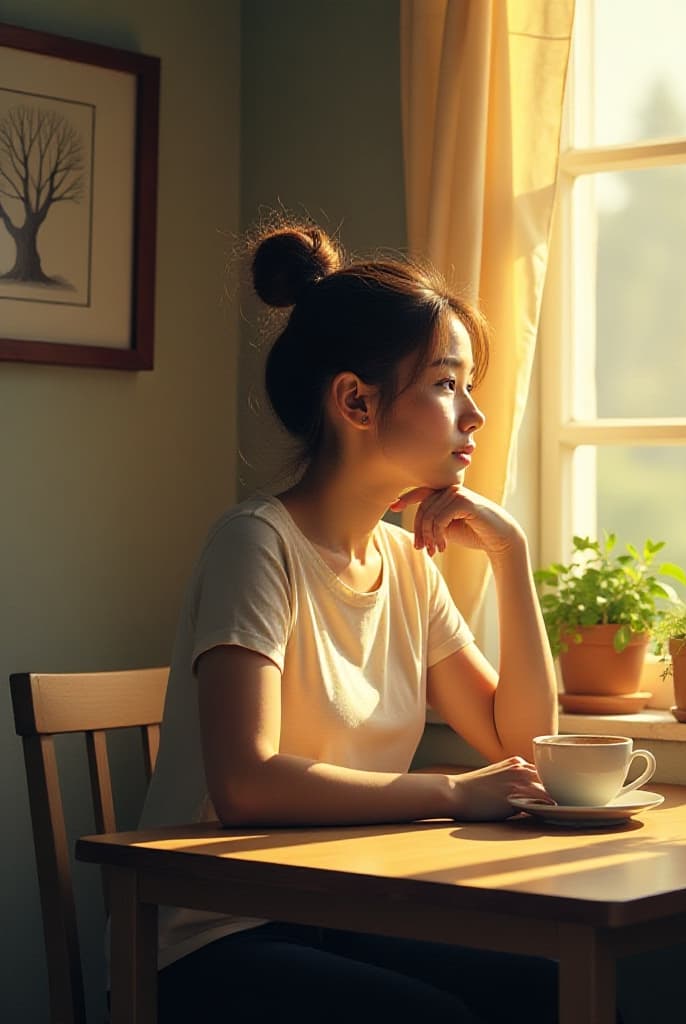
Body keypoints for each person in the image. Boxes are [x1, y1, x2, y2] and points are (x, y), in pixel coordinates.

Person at [140, 222, 560, 1023]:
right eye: (445, 384)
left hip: (343, 915)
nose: (474, 413)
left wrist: (512, 557)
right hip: (216, 937)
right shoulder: (255, 544)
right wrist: (451, 793)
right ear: (356, 401)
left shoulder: (404, 564)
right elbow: (246, 784)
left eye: (469, 385)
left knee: (551, 988)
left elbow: (524, 746)